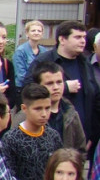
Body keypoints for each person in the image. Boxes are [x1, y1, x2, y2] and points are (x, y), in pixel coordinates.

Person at [30, 21, 100, 152]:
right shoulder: (44, 61)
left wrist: (92, 136)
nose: (83, 41)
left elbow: (95, 99)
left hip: (80, 140)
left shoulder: (84, 63)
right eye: (77, 37)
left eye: (84, 37)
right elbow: (28, 92)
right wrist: (65, 88)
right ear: (62, 39)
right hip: (48, 138)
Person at [30, 62, 86, 153]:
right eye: (49, 83)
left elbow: (80, 149)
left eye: (59, 82)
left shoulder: (71, 113)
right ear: (38, 86)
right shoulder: (27, 116)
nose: (56, 87)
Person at [14, 20, 48, 90]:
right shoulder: (20, 51)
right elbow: (21, 75)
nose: (36, 33)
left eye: (39, 31)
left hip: (39, 88)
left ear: (42, 34)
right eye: (33, 31)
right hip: (23, 89)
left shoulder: (44, 51)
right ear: (27, 33)